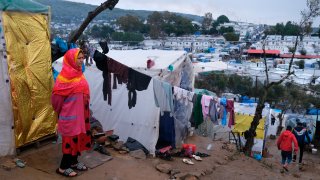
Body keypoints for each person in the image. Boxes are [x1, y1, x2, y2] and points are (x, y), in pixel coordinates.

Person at [52, 48, 91, 177]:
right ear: (71, 60)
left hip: (81, 115)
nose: (81, 61)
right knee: (69, 141)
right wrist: (63, 113)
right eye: (78, 58)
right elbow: (56, 100)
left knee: (78, 139)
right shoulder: (62, 79)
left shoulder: (79, 74)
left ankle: (74, 162)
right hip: (69, 116)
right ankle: (63, 167)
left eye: (82, 58)